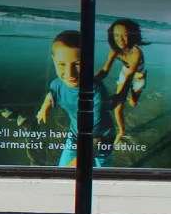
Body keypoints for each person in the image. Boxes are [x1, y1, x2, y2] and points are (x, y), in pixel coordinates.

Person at [36, 30, 108, 167]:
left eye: (77, 64)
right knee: (62, 171)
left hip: (100, 142)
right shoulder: (57, 83)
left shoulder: (96, 92)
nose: (70, 74)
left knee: (102, 174)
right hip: (75, 135)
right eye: (62, 64)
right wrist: (43, 109)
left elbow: (95, 139)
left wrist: (73, 167)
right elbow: (51, 95)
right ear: (53, 60)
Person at [99, 19, 147, 148]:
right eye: (116, 35)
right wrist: (92, 80)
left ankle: (133, 97)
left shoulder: (136, 51)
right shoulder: (115, 50)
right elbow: (105, 70)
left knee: (133, 102)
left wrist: (121, 95)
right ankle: (122, 131)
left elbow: (132, 75)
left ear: (131, 35)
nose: (120, 39)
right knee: (118, 108)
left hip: (138, 76)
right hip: (125, 73)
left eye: (124, 35)